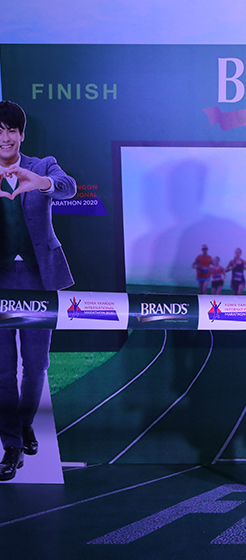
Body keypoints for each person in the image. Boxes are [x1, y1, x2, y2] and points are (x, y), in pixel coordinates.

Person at [0, 100, 76, 481]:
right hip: (1, 281)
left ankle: (25, 422)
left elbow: (68, 187)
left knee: (35, 366)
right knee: (2, 370)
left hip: (38, 279)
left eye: (11, 130)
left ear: (21, 134)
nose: (5, 138)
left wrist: (41, 182)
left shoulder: (43, 165)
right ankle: (12, 444)